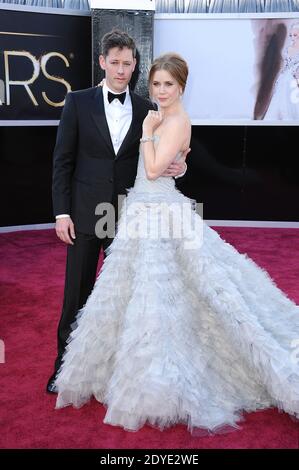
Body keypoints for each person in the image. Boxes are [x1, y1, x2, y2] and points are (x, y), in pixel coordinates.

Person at [55, 52, 299, 435]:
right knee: (134, 295)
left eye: (168, 84)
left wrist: (151, 135)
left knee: (170, 291)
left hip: (158, 211)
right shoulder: (153, 113)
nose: (161, 90)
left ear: (182, 87)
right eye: (156, 84)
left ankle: (169, 379)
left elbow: (153, 168)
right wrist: (170, 152)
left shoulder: (167, 118)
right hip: (134, 208)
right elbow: (160, 162)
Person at [47, 30, 187, 394]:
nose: (121, 70)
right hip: (83, 214)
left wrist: (181, 167)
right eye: (115, 62)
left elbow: (169, 152)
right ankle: (64, 370)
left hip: (129, 217)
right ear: (102, 62)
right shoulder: (78, 102)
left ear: (135, 65)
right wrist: (62, 213)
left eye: (128, 63)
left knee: (122, 296)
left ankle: (112, 372)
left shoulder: (148, 108)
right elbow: (62, 161)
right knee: (76, 293)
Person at [264, 22, 299, 120]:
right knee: (280, 97)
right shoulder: (288, 49)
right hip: (286, 76)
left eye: (295, 35)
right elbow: (285, 64)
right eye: (291, 35)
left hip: (294, 78)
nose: (292, 37)